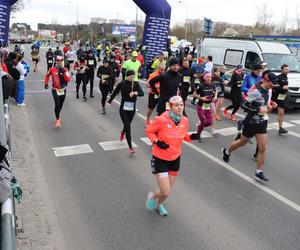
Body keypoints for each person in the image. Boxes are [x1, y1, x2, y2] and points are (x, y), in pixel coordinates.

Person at [145, 96, 199, 216]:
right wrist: (157, 142)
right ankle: (153, 197)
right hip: (160, 158)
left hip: (175, 158)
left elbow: (184, 135)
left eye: (181, 105)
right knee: (165, 191)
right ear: (170, 106)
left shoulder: (184, 120)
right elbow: (149, 131)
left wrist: (192, 137)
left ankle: (159, 206)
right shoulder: (161, 119)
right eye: (176, 105)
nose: (180, 107)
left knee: (167, 191)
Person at [222, 70, 278, 182]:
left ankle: (258, 172)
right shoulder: (256, 90)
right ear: (267, 81)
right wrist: (258, 109)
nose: (275, 85)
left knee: (262, 147)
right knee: (242, 143)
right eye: (273, 83)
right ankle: (227, 152)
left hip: (262, 122)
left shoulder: (268, 90)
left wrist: (270, 106)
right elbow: (244, 104)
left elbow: (263, 105)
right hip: (251, 122)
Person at [107, 70, 144, 154]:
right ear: (127, 76)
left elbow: (142, 93)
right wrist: (109, 101)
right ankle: (130, 147)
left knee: (127, 125)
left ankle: (123, 132)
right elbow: (115, 92)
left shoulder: (136, 84)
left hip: (132, 109)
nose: (132, 78)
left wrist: (135, 93)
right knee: (128, 126)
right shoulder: (122, 84)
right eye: (130, 76)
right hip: (123, 109)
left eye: (133, 76)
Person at [44, 56, 71, 128]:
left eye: (60, 60)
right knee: (57, 104)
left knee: (60, 105)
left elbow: (68, 80)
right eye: (57, 60)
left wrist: (63, 73)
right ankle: (58, 120)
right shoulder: (52, 69)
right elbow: (47, 75)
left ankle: (57, 114)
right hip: (55, 89)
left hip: (63, 89)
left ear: (62, 61)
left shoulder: (65, 69)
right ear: (55, 61)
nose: (59, 61)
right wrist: (46, 83)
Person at [193, 72, 217, 141]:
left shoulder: (212, 85)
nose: (209, 78)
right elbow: (194, 94)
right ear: (204, 78)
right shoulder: (201, 86)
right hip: (200, 106)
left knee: (209, 122)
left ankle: (199, 126)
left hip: (207, 106)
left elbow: (216, 91)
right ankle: (198, 135)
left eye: (210, 77)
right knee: (203, 121)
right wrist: (202, 98)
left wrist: (215, 97)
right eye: (207, 77)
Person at [272, 64, 289, 134]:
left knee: (281, 113)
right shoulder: (278, 77)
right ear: (282, 70)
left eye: (288, 69)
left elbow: (285, 85)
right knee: (267, 110)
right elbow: (274, 87)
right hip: (275, 96)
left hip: (282, 96)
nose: (287, 71)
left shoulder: (286, 77)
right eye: (286, 69)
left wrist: (286, 89)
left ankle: (280, 128)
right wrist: (283, 88)